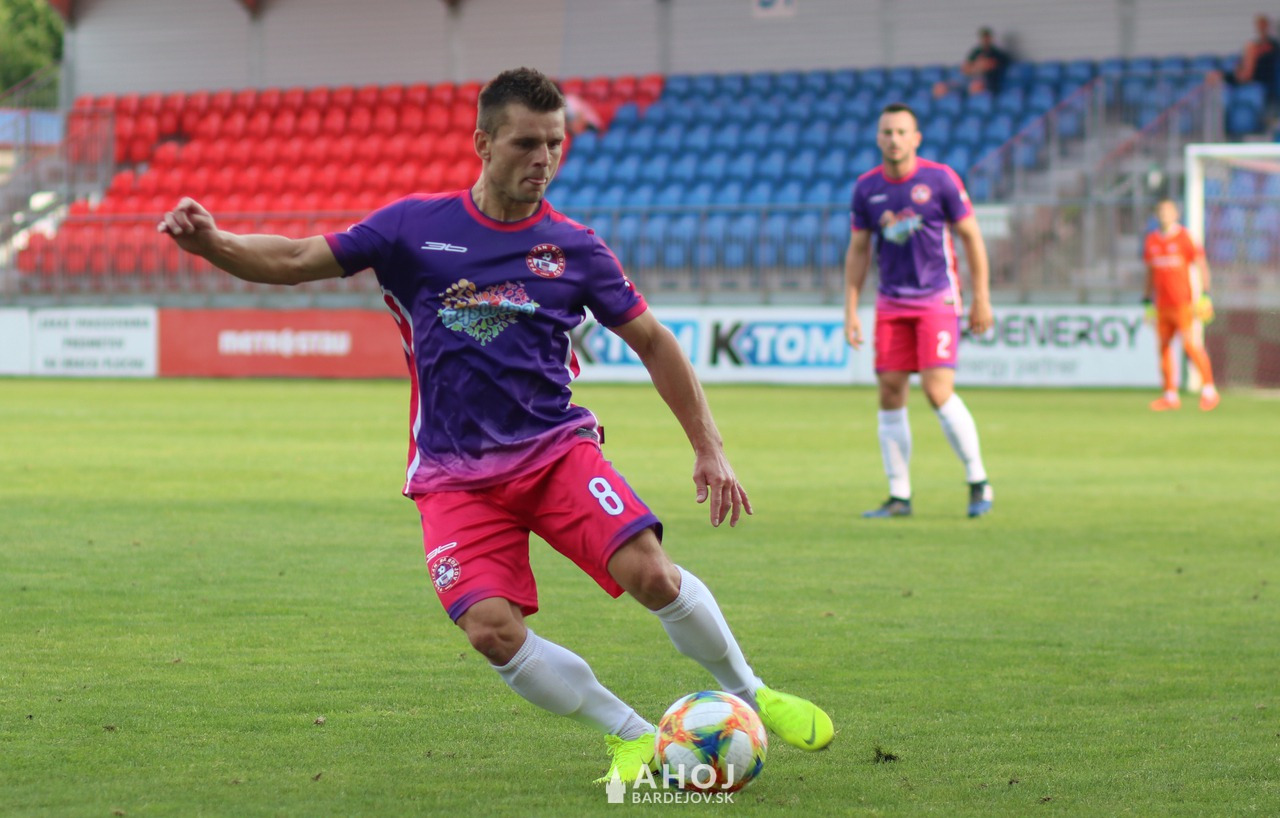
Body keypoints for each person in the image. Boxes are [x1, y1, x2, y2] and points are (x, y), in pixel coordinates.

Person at [157, 67, 833, 784]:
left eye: (555, 144)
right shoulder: (413, 228)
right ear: (483, 143)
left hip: (554, 452)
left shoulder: (575, 248)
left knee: (651, 574)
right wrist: (214, 243)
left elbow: (654, 342)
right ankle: (633, 736)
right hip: (453, 478)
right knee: (491, 631)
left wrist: (709, 448)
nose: (543, 159)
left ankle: (753, 693)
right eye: (525, 144)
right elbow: (297, 258)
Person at [843, 103, 995, 519]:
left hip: (936, 298)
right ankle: (899, 495)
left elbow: (971, 237)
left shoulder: (940, 179)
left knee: (937, 390)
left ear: (916, 138)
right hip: (891, 301)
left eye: (901, 132)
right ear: (878, 138)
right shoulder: (866, 188)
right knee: (890, 391)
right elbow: (858, 250)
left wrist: (981, 296)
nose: (894, 139)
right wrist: (851, 308)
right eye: (887, 132)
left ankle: (978, 480)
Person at [1142, 199, 1219, 412]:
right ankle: (1170, 395)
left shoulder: (1185, 237)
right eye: (1160, 211)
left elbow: (1201, 265)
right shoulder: (1152, 240)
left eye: (1168, 211)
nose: (1164, 215)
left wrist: (1205, 295)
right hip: (1162, 305)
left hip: (1183, 304)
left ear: (1176, 214)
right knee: (1164, 348)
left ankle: (1209, 391)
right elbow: (1150, 272)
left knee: (1191, 346)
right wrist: (1147, 300)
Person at [1222, 14, 1280, 101]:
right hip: (1248, 76)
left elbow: (1249, 73)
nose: (1261, 28)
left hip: (1260, 80)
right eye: (1259, 26)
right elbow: (1243, 64)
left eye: (1263, 25)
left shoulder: (1272, 46)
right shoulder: (1255, 44)